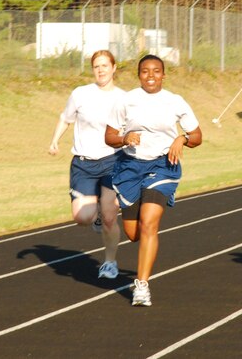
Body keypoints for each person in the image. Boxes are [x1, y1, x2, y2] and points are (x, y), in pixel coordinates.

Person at [105, 54, 202, 306]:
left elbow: (197, 135)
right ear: (139, 75)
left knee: (149, 223)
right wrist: (125, 138)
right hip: (129, 167)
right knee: (134, 233)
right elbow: (109, 136)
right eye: (145, 71)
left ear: (164, 74)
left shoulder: (175, 101)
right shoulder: (126, 101)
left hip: (163, 165)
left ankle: (141, 286)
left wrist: (182, 139)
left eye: (156, 71)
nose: (151, 76)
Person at [48, 50, 123, 280]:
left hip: (112, 161)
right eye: (96, 66)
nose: (100, 70)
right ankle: (96, 212)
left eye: (104, 65)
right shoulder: (80, 94)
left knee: (110, 216)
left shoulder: (124, 98)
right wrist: (54, 141)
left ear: (113, 68)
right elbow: (66, 118)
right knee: (82, 218)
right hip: (83, 164)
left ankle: (110, 262)